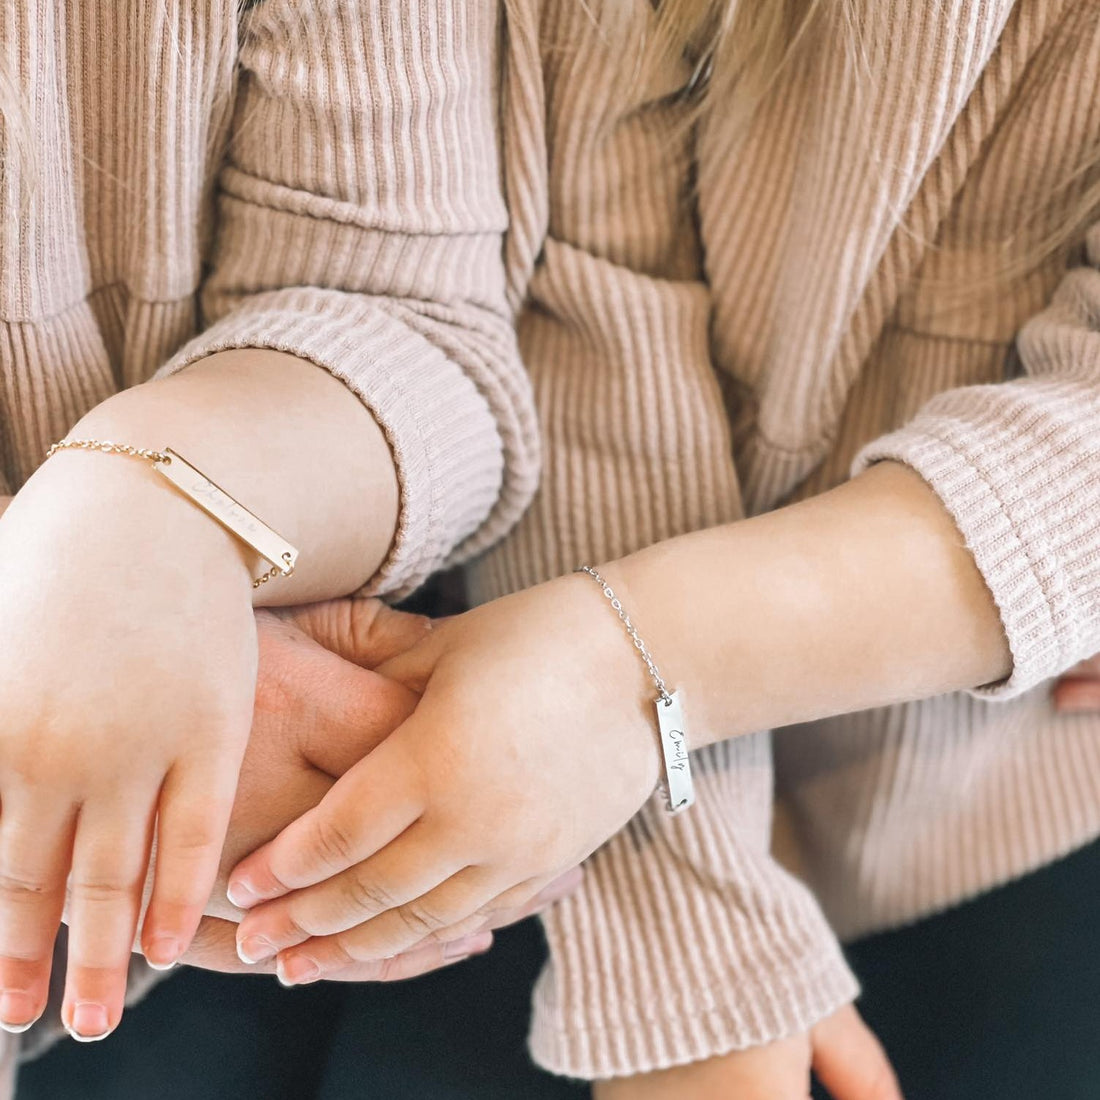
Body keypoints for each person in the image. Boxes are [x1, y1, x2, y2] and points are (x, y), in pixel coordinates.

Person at [211, 1, 1100, 1098]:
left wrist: (619, 684)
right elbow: (589, 313)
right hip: (531, 773)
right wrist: (687, 904)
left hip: (1007, 793)